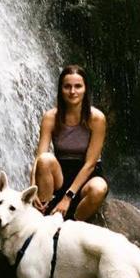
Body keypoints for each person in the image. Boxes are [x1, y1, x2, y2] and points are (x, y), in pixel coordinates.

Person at [30, 64, 108, 221]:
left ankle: (73, 224)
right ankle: (42, 219)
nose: (73, 91)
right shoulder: (50, 117)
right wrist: (32, 189)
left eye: (78, 86)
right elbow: (39, 157)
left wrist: (68, 197)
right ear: (61, 89)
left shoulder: (97, 118)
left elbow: (90, 164)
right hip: (60, 174)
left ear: (85, 89)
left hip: (87, 175)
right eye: (67, 87)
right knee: (45, 159)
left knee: (99, 188)